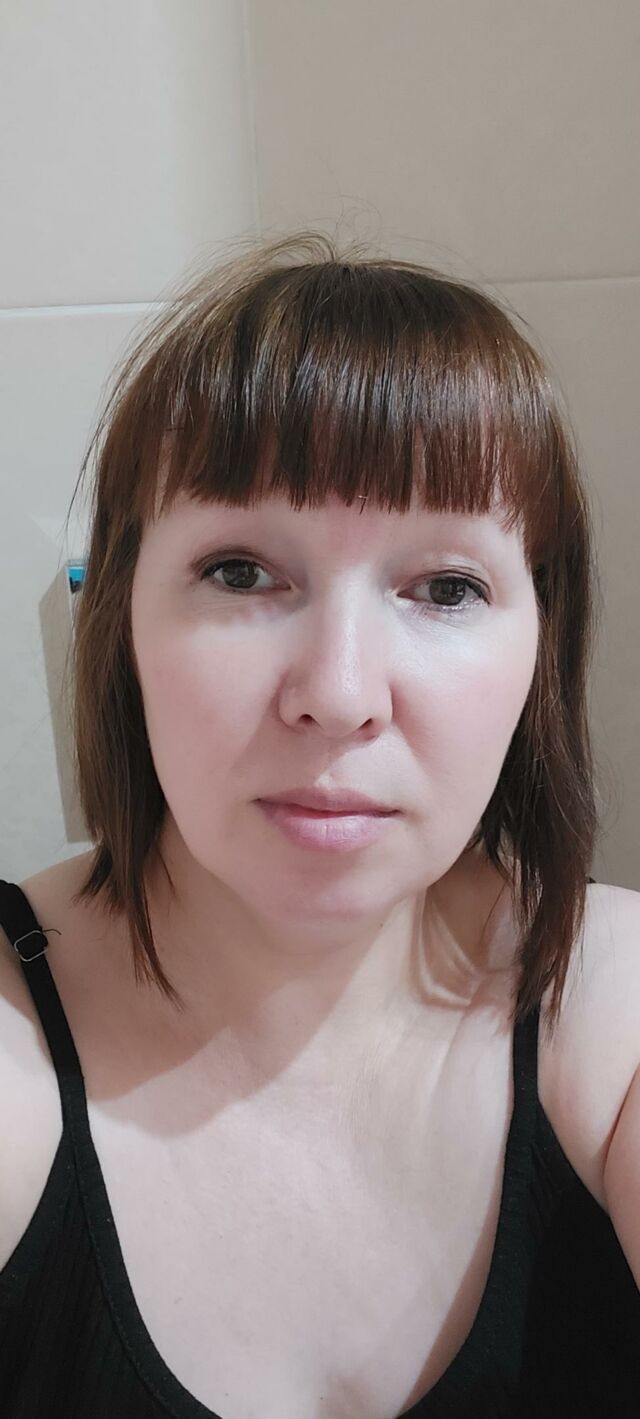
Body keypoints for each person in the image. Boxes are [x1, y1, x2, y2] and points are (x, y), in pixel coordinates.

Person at [0, 232, 639, 1419]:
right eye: (241, 572)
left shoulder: (612, 1007)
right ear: (123, 621)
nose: (338, 694)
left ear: (539, 651)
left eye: (444, 588)